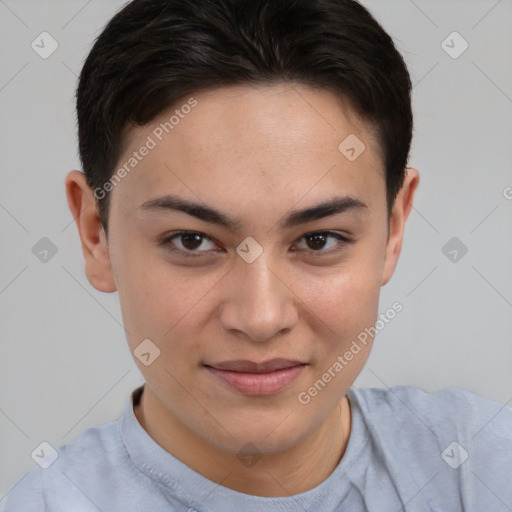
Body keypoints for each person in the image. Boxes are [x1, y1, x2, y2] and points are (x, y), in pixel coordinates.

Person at [2, 0, 511, 510]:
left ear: (393, 229)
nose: (261, 318)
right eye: (192, 241)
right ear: (96, 235)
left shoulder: (483, 467)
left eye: (318, 240)